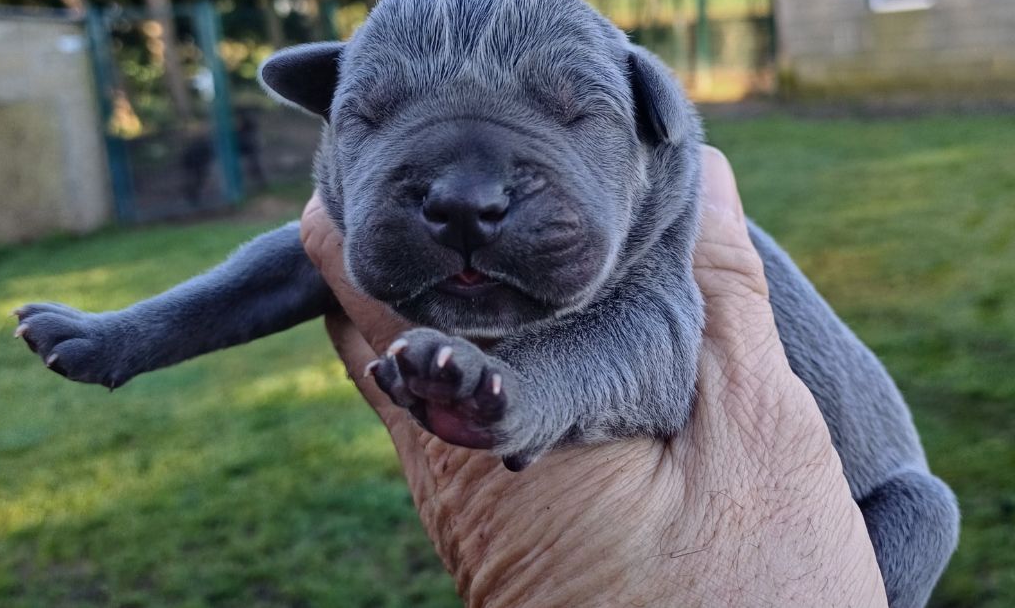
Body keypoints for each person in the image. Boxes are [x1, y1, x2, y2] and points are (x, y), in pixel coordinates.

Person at [300, 147, 890, 608]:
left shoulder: (649, 210)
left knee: (925, 511)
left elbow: (653, 353)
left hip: (878, 499)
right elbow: (303, 260)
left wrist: (518, 393)